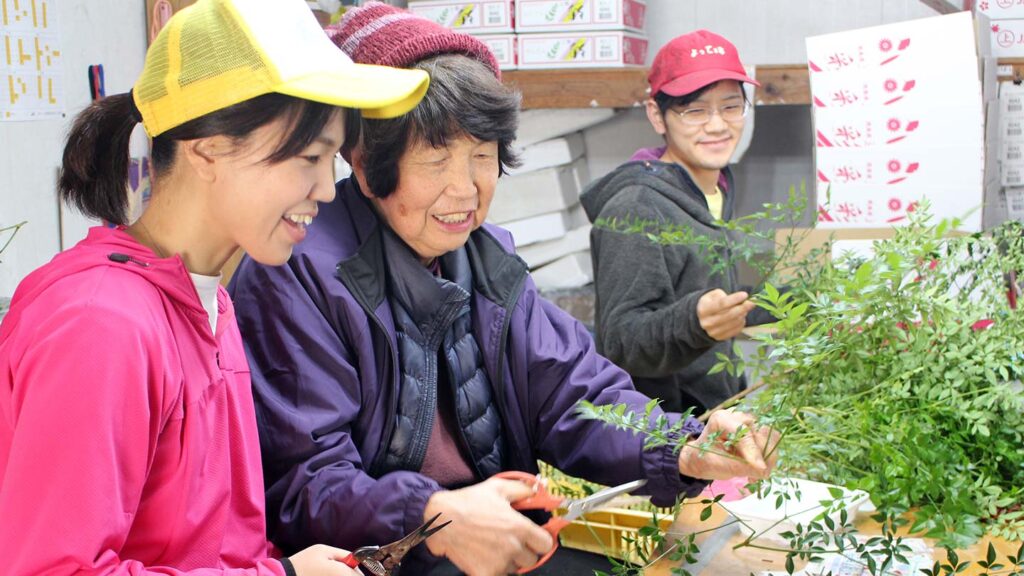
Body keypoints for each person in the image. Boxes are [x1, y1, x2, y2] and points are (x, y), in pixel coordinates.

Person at [229, 5, 777, 576]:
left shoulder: (488, 259)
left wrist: (683, 444)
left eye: (482, 157)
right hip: (380, 556)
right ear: (366, 166)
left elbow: (572, 392)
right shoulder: (296, 272)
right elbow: (303, 482)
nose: (465, 189)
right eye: (435, 159)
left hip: (498, 535)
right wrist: (436, 512)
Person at [0, 0, 429, 574]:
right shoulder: (100, 324)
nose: (328, 189)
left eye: (333, 162)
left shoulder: (210, 303)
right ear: (208, 149)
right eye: (309, 157)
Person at [582, 29, 774, 415]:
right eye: (695, 110)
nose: (718, 125)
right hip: (666, 432)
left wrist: (810, 301)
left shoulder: (714, 185)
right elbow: (622, 343)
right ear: (657, 115)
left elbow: (709, 296)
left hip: (714, 415)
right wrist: (694, 324)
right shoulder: (636, 208)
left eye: (731, 106)